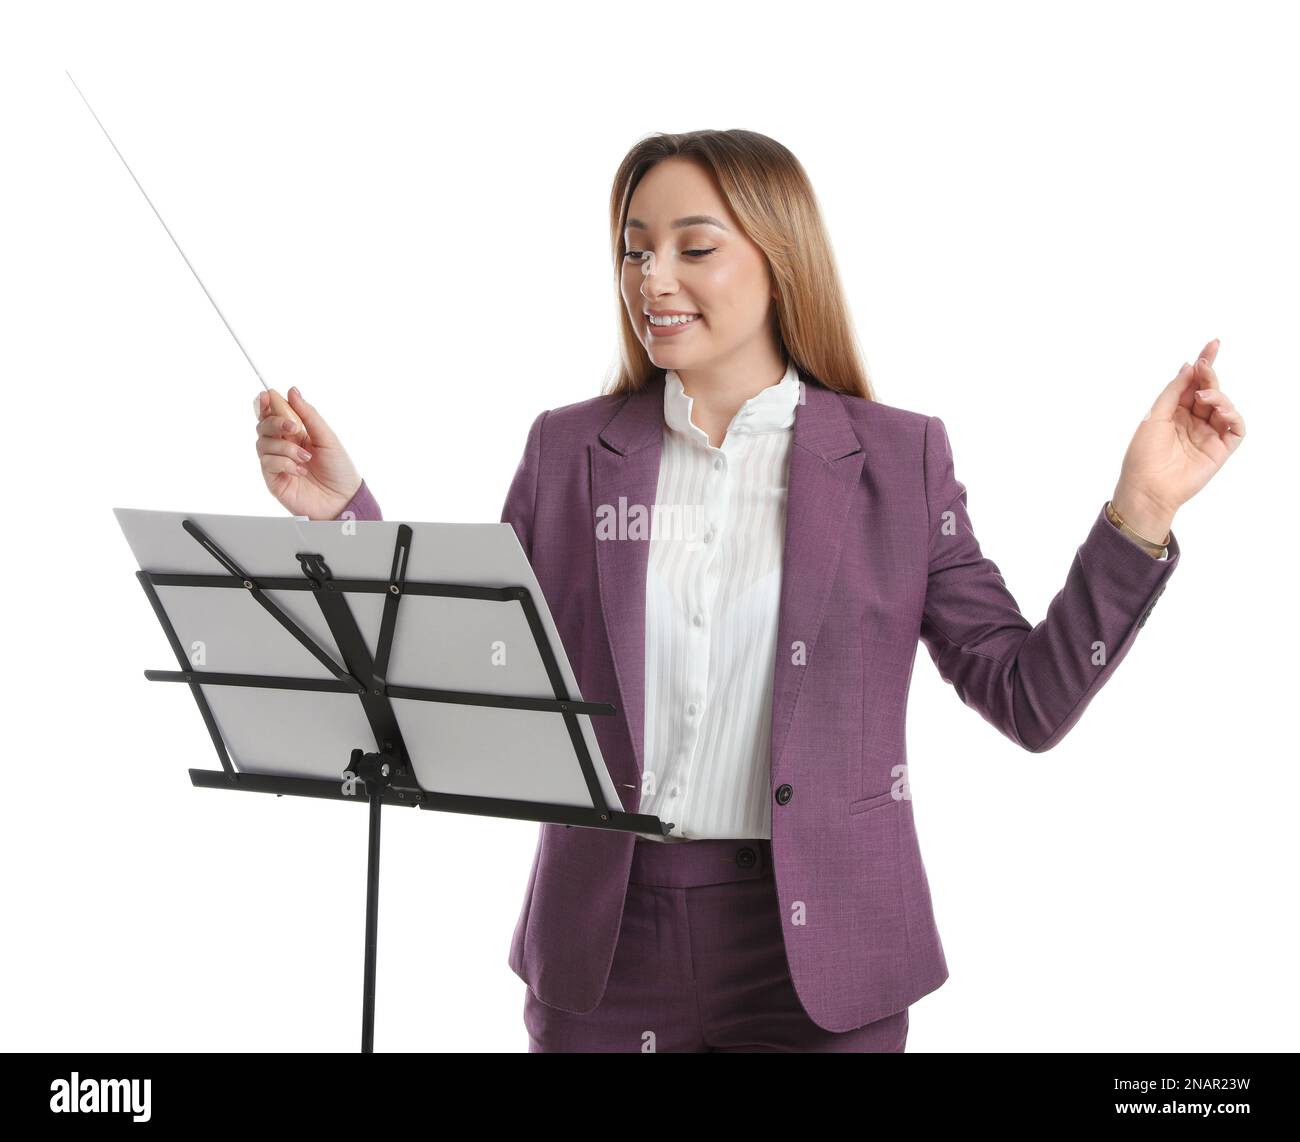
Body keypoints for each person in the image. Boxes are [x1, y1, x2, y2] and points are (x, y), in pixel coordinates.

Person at [252, 130, 1245, 1052]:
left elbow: (1027, 697)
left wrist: (1141, 508)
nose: (653, 279)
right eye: (635, 251)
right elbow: (471, 671)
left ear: (779, 260)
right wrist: (345, 512)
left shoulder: (898, 460)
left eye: (694, 247)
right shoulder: (572, 450)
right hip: (608, 945)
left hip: (820, 958)